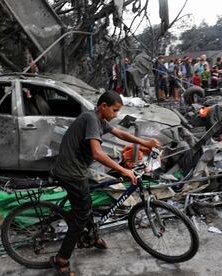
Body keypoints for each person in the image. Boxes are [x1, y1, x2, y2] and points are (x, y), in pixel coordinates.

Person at [50, 91, 160, 275]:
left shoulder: (98, 119)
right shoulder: (91, 119)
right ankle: (61, 259)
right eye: (115, 110)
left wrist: (145, 142)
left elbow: (120, 134)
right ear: (104, 106)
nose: (116, 115)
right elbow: (97, 153)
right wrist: (124, 170)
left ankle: (92, 237)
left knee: (86, 206)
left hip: (74, 170)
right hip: (71, 173)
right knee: (81, 217)